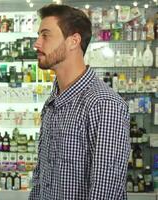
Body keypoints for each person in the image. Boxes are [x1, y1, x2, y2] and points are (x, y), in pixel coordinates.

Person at [29, 4, 130, 200]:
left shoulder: (104, 104)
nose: (37, 43)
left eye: (45, 35)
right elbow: (42, 179)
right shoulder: (53, 102)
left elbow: (106, 192)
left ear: (74, 40)